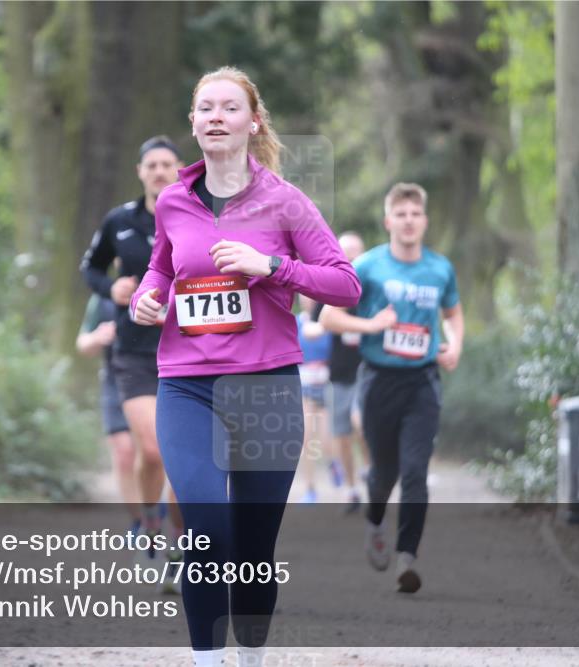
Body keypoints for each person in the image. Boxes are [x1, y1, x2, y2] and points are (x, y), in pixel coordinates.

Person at [130, 66, 360, 667]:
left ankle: (251, 657)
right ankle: (208, 660)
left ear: (252, 121)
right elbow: (161, 268)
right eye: (205, 107)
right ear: (193, 122)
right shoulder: (174, 201)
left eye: (229, 107)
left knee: (254, 546)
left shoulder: (285, 201)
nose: (215, 117)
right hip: (186, 387)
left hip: (266, 389)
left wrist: (271, 267)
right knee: (208, 533)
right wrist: (145, 298)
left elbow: (345, 285)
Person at [319, 183, 464, 594]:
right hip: (379, 380)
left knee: (416, 471)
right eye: (400, 214)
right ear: (388, 222)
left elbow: (454, 314)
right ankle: (375, 518)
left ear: (425, 221)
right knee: (384, 473)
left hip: (422, 381)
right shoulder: (366, 267)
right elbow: (330, 317)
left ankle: (407, 558)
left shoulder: (440, 268)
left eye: (415, 214)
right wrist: (371, 325)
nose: (408, 221)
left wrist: (454, 344)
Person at [80, 136, 185, 590]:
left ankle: (184, 548)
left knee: (182, 460)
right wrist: (112, 290)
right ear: (140, 171)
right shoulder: (120, 221)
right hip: (134, 352)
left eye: (167, 164)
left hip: (187, 351)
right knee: (154, 449)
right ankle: (149, 528)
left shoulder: (197, 216)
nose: (159, 171)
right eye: (151, 165)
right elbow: (91, 268)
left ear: (180, 168)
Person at [75, 293, 141, 534]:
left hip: (155, 377)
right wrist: (98, 337)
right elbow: (82, 343)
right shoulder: (103, 298)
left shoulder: (163, 285)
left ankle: (157, 508)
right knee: (124, 451)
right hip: (115, 381)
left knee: (154, 451)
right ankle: (139, 521)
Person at [317, 232, 370, 513]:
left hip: (367, 367)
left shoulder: (372, 286)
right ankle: (352, 489)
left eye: (356, 252)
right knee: (342, 434)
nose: (351, 257)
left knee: (360, 420)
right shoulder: (331, 286)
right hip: (338, 371)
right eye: (346, 252)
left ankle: (371, 472)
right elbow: (315, 325)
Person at [295, 294, 332, 504]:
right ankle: (310, 489)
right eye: (302, 296)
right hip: (304, 387)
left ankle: (333, 462)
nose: (306, 299)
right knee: (307, 440)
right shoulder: (294, 323)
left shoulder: (328, 320)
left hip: (328, 386)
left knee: (328, 440)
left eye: (310, 295)